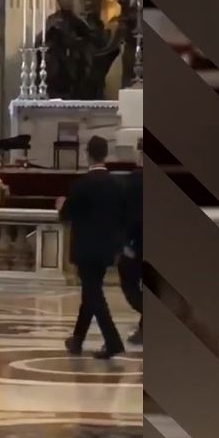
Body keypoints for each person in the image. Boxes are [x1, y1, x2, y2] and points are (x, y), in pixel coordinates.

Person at [57, 136, 127, 359]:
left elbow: (66, 215)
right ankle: (77, 340)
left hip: (86, 248)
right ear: (106, 154)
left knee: (93, 294)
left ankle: (113, 341)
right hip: (106, 248)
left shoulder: (81, 184)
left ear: (88, 155)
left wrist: (61, 206)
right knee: (91, 293)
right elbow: (122, 217)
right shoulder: (117, 185)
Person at [118, 139, 143, 344]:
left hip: (136, 243)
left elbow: (125, 215)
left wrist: (125, 242)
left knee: (129, 283)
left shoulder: (131, 182)